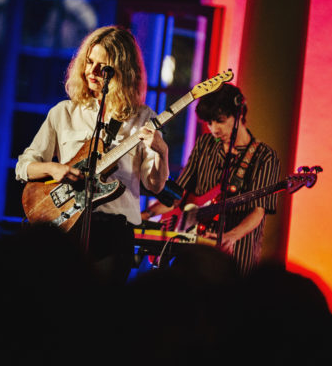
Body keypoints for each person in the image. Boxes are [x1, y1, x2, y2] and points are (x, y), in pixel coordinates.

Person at [15, 25, 169, 286]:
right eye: (89, 62)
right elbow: (24, 166)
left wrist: (161, 151)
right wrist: (55, 169)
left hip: (113, 235)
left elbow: (154, 185)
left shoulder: (144, 118)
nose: (92, 71)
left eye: (103, 67)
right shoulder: (64, 112)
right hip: (64, 228)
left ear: (123, 71)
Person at [141, 83, 279, 275]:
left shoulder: (264, 156)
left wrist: (231, 236)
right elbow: (178, 195)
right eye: (209, 122)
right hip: (194, 251)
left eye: (220, 121)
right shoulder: (204, 144)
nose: (214, 129)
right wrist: (146, 214)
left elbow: (259, 211)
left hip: (235, 252)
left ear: (239, 114)